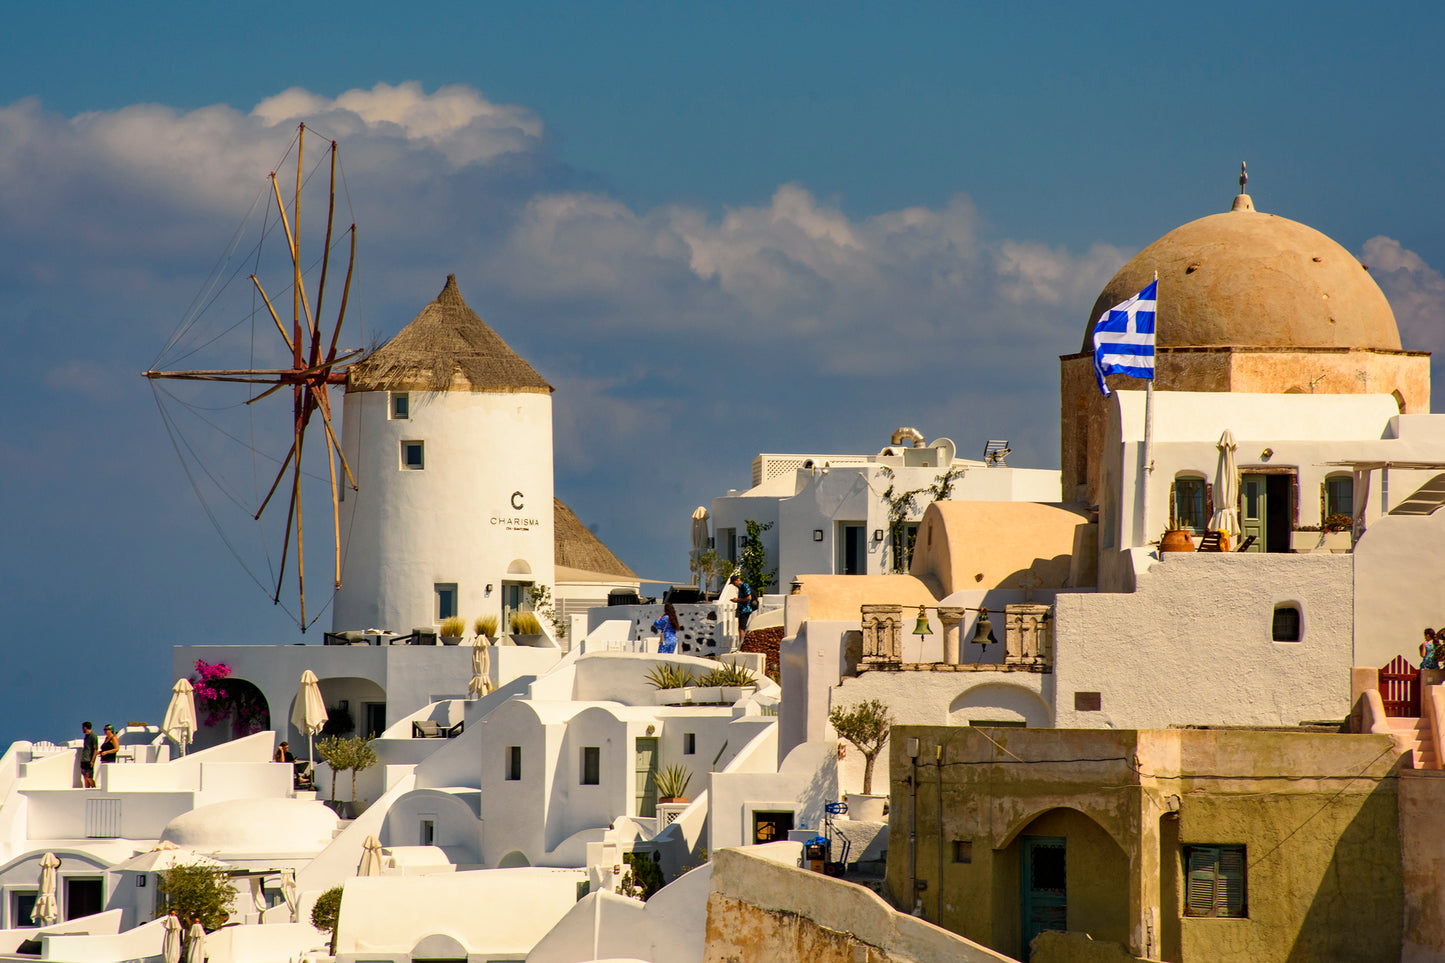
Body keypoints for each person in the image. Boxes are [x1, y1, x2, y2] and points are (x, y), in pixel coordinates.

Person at [731, 574, 755, 641]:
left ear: (737, 580)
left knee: (741, 628)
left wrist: (737, 600)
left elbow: (749, 597)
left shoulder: (744, 585)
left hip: (745, 609)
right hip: (742, 609)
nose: (733, 584)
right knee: (741, 628)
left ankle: (741, 645)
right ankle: (741, 643)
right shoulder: (740, 587)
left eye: (733, 582)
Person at [80, 721, 98, 788]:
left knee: (89, 777)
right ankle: (87, 790)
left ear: (85, 727)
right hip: (84, 759)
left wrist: (92, 760)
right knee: (85, 777)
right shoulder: (86, 736)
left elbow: (95, 749)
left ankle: (94, 789)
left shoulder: (93, 736)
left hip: (89, 760)